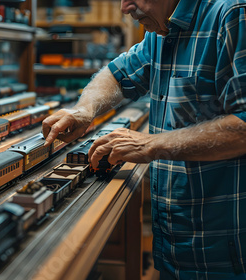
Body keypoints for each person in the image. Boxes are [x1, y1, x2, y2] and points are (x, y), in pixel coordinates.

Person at [42, 0, 246, 278]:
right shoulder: (161, 31)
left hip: (225, 250)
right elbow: (118, 74)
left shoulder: (234, 15)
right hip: (174, 246)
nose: (125, 8)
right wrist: (84, 110)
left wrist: (150, 144)